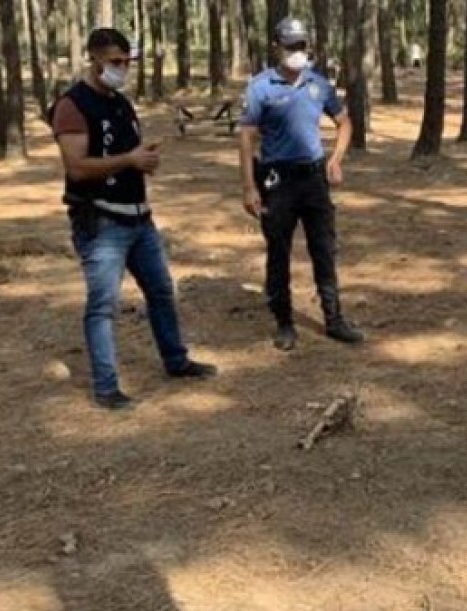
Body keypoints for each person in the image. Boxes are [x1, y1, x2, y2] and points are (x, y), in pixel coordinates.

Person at [49, 28, 216, 409]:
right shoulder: (72, 106)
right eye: (115, 63)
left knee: (160, 291)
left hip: (140, 220)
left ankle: (176, 360)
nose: (122, 69)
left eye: (127, 62)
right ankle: (106, 387)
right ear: (94, 59)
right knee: (103, 305)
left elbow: (124, 153)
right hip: (102, 223)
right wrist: (129, 160)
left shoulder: (121, 104)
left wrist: (142, 158)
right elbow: (76, 167)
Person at [238, 17, 363, 351]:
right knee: (278, 252)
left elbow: (344, 122)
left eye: (301, 45)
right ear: (277, 46)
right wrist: (249, 186)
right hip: (277, 180)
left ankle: (334, 319)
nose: (296, 52)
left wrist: (335, 159)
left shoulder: (318, 84)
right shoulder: (260, 86)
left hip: (313, 178)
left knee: (323, 249)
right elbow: (247, 137)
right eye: (290, 45)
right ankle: (284, 322)